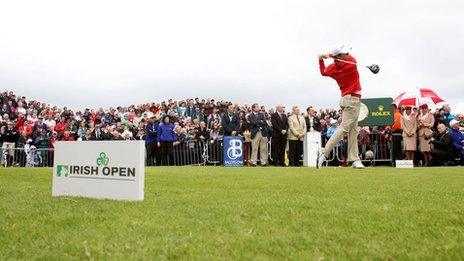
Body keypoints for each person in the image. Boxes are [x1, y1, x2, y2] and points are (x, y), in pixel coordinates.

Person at [317, 45, 364, 168]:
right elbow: (353, 59)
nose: (347, 54)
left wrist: (321, 59)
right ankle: (324, 153)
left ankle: (354, 159)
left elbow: (323, 72)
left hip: (346, 99)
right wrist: (331, 55)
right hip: (353, 100)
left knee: (353, 130)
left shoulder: (333, 68)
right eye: (344, 53)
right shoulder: (350, 64)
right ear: (339, 56)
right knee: (344, 129)